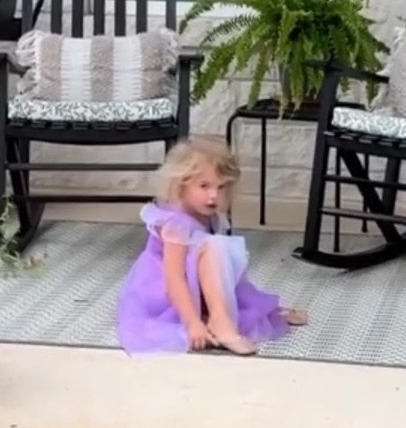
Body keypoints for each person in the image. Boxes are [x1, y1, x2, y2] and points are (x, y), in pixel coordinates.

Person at [117, 138, 307, 356]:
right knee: (214, 246)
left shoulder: (212, 217)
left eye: (221, 187)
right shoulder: (174, 223)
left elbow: (221, 271)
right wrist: (191, 323)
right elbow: (174, 279)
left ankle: (220, 316)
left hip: (197, 285)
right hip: (169, 295)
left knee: (222, 249)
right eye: (204, 186)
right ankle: (220, 324)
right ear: (181, 185)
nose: (213, 195)